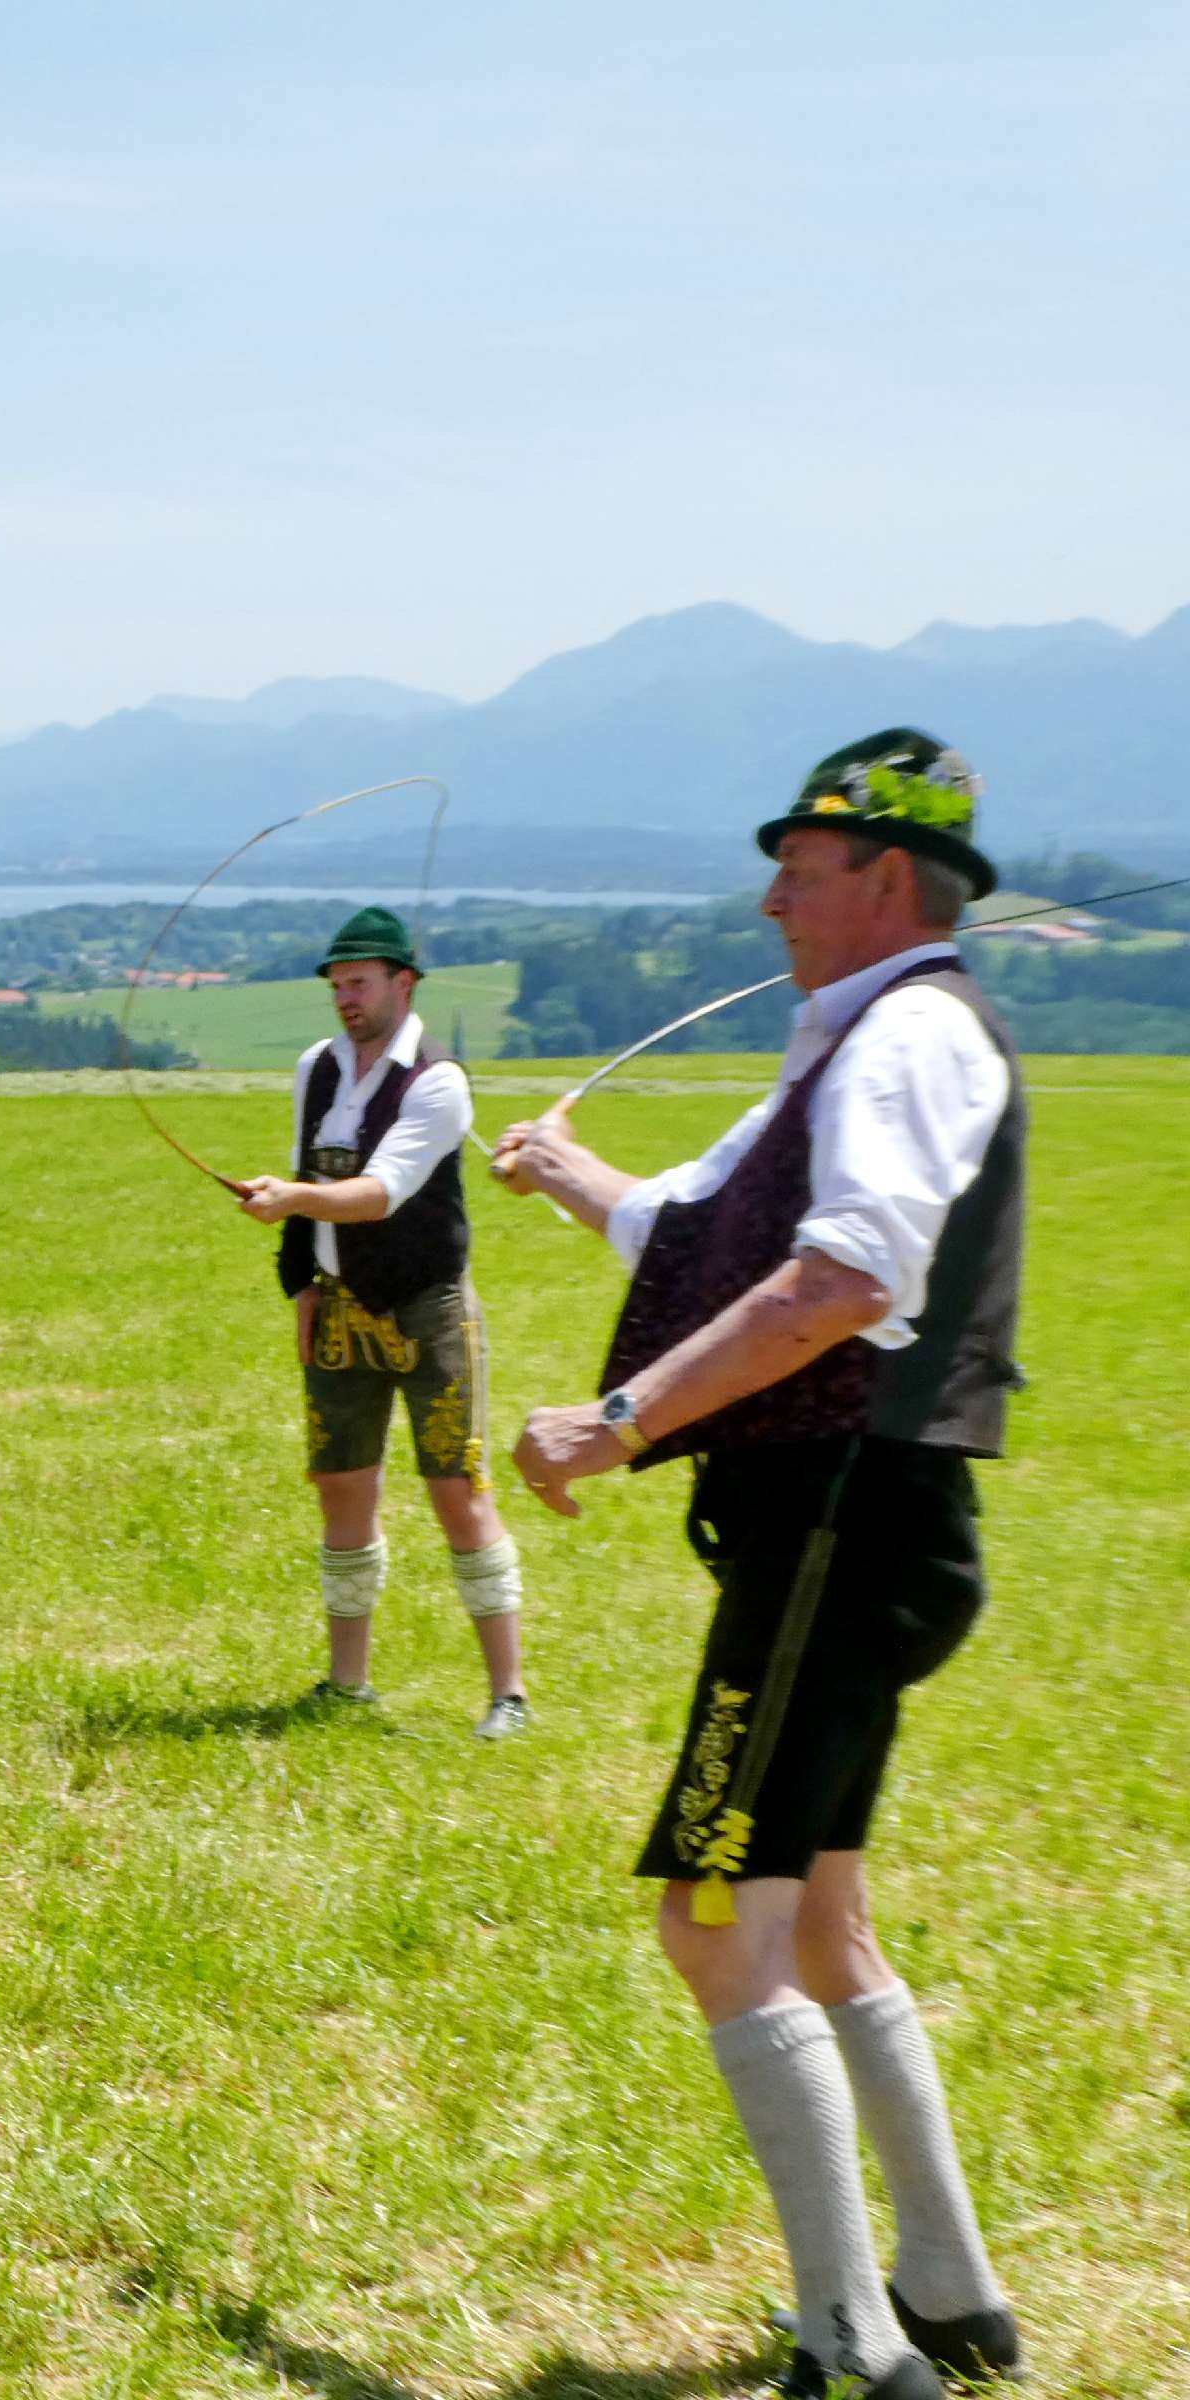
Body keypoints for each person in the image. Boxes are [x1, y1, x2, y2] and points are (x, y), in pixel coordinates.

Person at [494, 731, 1024, 2398]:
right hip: (862, 1533)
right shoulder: (862, 1033)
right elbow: (712, 1233)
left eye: (797, 868)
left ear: (887, 877)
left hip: (835, 1532)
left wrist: (619, 1421)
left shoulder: (906, 1037)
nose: (771, 898)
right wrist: (572, 1180)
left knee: (716, 1923)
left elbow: (842, 1281)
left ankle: (854, 2350)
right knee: (823, 1923)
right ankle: (950, 2295)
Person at [235, 907, 530, 1736]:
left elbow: (381, 1191)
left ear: (405, 983)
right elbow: (305, 1171)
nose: (346, 999)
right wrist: (301, 1283)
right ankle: (346, 1685)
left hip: (429, 1311)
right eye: (337, 985)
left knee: (457, 1491)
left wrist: (294, 1198)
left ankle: (507, 1694)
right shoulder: (316, 1068)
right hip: (337, 1310)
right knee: (341, 1486)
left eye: (359, 983)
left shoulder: (439, 1081)